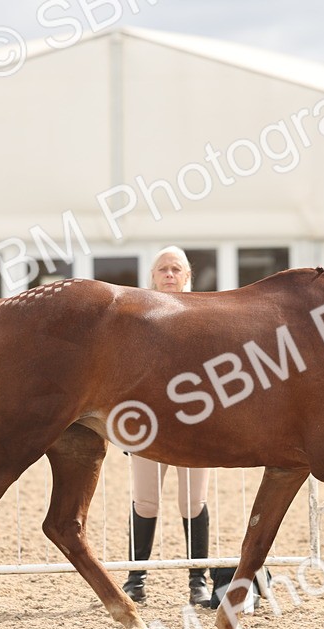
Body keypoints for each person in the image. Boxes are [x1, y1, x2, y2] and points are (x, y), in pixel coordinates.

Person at [122, 246, 213, 607]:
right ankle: (135, 580)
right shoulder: (137, 316)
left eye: (176, 269)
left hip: (193, 425)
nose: (170, 274)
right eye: (163, 269)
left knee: (193, 502)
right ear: (153, 276)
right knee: (145, 502)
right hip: (148, 424)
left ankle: (198, 581)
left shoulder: (203, 316)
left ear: (187, 275)